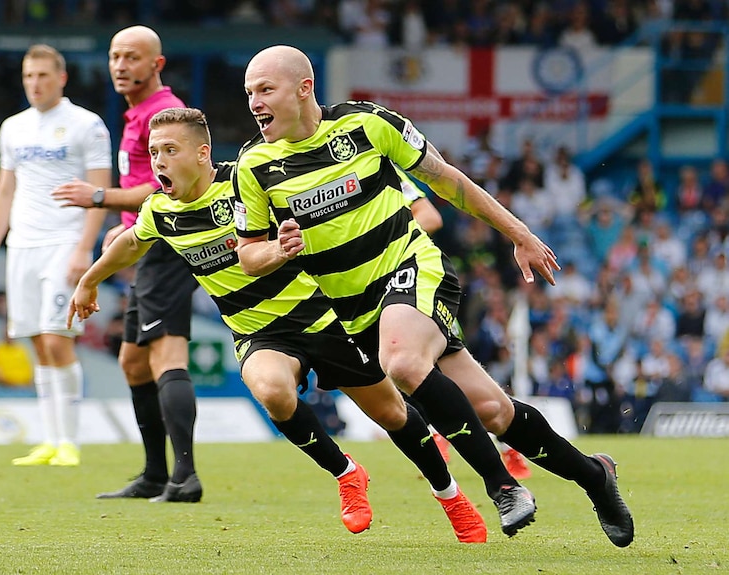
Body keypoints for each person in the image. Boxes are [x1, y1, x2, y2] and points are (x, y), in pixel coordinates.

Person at [234, 45, 634, 547]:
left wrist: (519, 234)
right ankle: (596, 477)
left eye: (265, 89)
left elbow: (447, 181)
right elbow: (248, 254)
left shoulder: (367, 125)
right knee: (492, 412)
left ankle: (502, 487)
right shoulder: (253, 164)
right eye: (249, 92)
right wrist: (277, 250)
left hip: (413, 269)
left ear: (304, 88)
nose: (254, 101)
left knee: (400, 361)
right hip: (358, 310)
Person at [67, 107, 487, 542]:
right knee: (271, 391)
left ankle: (451, 496)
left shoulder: (246, 181)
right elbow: (129, 245)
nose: (158, 161)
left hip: (323, 316)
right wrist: (88, 282)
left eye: (170, 150)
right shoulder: (160, 211)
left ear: (202, 154)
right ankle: (347, 474)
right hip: (258, 333)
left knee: (393, 414)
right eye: (154, 152)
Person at [51, 25, 201, 501]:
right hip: (145, 239)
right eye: (115, 56)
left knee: (166, 354)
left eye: (132, 57)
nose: (120, 65)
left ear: (156, 64)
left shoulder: (162, 113)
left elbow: (162, 186)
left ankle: (185, 478)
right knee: (133, 361)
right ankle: (156, 474)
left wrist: (98, 197)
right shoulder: (138, 113)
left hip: (167, 242)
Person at [0, 44, 112, 466]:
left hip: (64, 243)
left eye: (43, 76)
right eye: (28, 77)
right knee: (37, 341)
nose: (35, 84)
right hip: (22, 247)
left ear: (62, 78)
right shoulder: (13, 127)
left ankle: (69, 441)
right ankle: (50, 440)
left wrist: (84, 248)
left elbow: (99, 190)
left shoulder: (87, 125)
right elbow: (4, 191)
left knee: (58, 338)